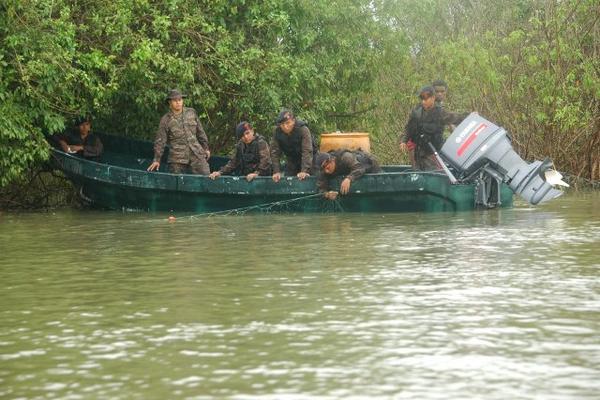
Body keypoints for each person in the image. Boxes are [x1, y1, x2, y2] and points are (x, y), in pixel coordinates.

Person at [399, 86, 469, 171]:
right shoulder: (416, 113)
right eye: (422, 99)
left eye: (426, 99)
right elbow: (409, 128)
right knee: (420, 175)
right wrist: (403, 141)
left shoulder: (439, 113)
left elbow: (456, 117)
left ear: (433, 98)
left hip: (434, 154)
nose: (423, 102)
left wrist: (470, 116)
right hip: (419, 155)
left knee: (437, 176)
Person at [147, 89, 211, 174]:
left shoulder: (191, 112)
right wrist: (157, 160)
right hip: (177, 158)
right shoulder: (166, 120)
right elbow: (160, 141)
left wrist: (205, 148)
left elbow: (200, 132)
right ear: (170, 102)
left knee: (206, 177)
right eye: (175, 100)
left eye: (180, 100)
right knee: (177, 183)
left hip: (196, 153)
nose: (178, 102)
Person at [270, 109, 318, 182]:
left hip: (310, 159)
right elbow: (274, 152)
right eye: (282, 125)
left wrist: (304, 170)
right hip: (292, 160)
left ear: (293, 121)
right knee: (288, 181)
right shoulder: (277, 132)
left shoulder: (303, 129)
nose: (285, 127)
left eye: (288, 123)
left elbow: (307, 151)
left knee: (309, 179)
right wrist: (276, 171)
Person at [316, 149, 382, 200]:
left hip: (369, 166)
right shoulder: (323, 172)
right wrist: (327, 194)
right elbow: (320, 189)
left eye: (328, 167)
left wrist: (349, 178)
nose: (326, 171)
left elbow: (359, 168)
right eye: (324, 170)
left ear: (332, 160)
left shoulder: (345, 157)